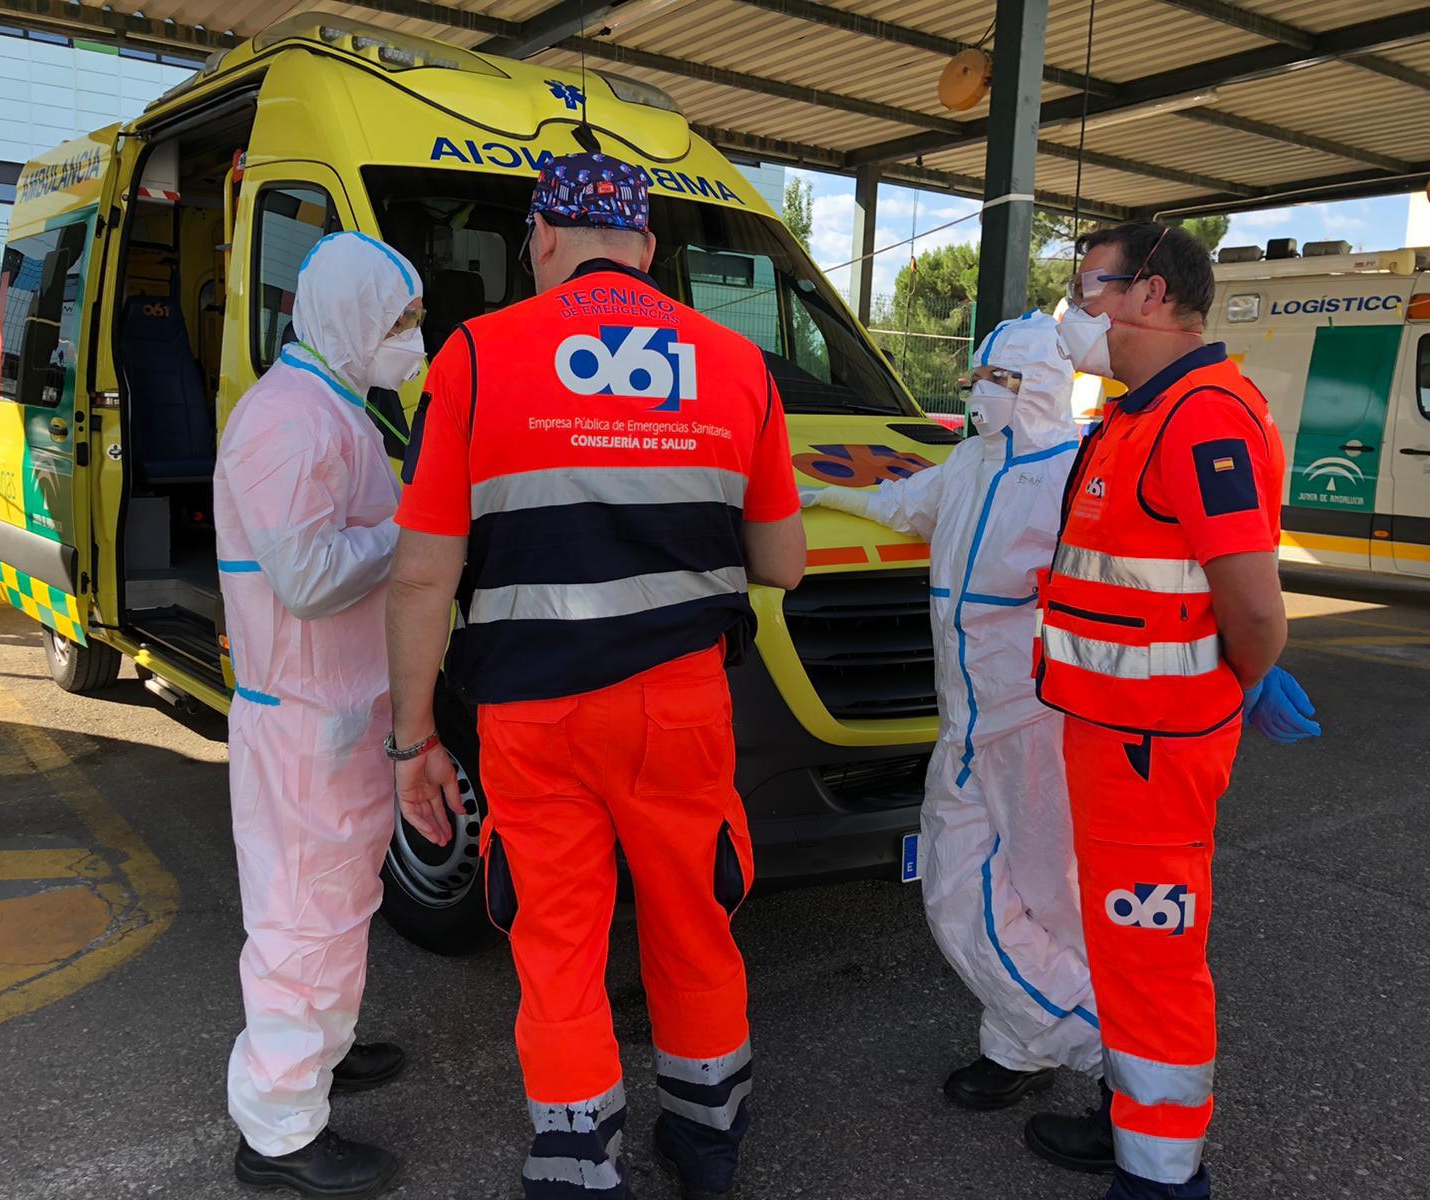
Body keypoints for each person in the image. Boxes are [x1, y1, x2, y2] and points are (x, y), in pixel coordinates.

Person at [384, 152, 805, 1200]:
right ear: (649, 250)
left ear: (540, 240)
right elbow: (782, 562)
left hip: (534, 714)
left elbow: (420, 575)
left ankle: (576, 1161)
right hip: (683, 706)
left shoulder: (476, 356)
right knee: (692, 920)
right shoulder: (737, 363)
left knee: (557, 937)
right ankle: (708, 1143)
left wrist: (410, 740)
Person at [1028, 222, 1319, 1200]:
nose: (1074, 312)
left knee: (1152, 950)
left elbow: (1253, 608)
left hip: (1152, 746)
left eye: (1088, 289)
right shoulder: (1135, 416)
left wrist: (1236, 683)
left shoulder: (1199, 417)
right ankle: (1130, 1119)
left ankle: (1161, 1174)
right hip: (1113, 739)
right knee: (1121, 940)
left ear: (1151, 294)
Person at [801, 312, 1104, 1112]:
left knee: (1053, 898)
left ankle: (1065, 1049)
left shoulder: (1078, 475)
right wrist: (814, 493)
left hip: (1039, 728)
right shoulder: (969, 463)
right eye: (974, 382)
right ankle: (1095, 1042)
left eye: (994, 383)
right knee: (957, 886)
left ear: (1037, 386)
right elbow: (903, 505)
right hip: (966, 728)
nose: (977, 398)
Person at [215, 231, 427, 1199]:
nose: (412, 340)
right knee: (302, 923)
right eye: (401, 322)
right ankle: (280, 1134)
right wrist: (412, 534)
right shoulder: (289, 422)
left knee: (337, 910)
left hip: (337, 712)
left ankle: (321, 1051)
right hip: (301, 718)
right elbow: (304, 578)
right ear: (349, 319)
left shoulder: (338, 408)